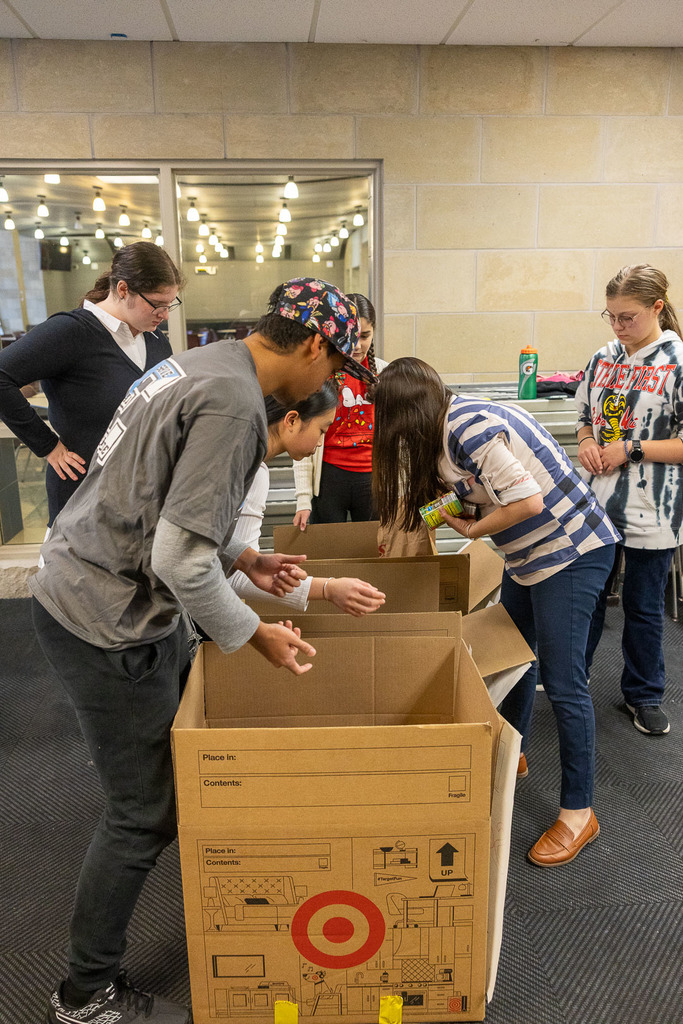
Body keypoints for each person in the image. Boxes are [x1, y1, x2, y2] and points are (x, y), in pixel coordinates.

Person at [30, 277, 375, 1024]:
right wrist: (256, 635)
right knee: (142, 812)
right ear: (315, 345)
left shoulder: (202, 361)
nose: (333, 389)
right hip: (105, 617)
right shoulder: (236, 404)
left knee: (168, 782)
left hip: (91, 584)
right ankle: (84, 995)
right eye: (338, 370)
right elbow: (180, 563)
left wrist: (244, 561)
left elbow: (166, 502)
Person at [373, 358, 620, 868]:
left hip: (571, 551)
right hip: (527, 556)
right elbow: (461, 495)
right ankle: (512, 755)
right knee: (512, 657)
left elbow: (527, 502)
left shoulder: (469, 427)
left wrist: (470, 533)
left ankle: (579, 813)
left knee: (564, 678)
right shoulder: (440, 435)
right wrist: (410, 524)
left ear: (408, 414)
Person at [0, 241, 180, 526]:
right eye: (157, 304)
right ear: (123, 290)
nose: (165, 314)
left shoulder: (156, 340)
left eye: (170, 305)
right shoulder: (71, 331)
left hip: (142, 499)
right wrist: (47, 446)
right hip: (83, 500)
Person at [578, 265, 683, 737]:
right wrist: (584, 440)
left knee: (642, 606)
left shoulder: (676, 362)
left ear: (657, 308)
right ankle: (570, 675)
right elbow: (584, 414)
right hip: (598, 502)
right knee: (588, 598)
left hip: (654, 508)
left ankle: (643, 694)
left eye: (629, 318)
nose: (619, 327)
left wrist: (633, 449)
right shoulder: (604, 357)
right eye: (612, 317)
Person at [230, 381, 386, 616]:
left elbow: (236, 573)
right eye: (322, 430)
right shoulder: (233, 464)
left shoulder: (258, 473)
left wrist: (328, 589)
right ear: (292, 420)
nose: (321, 442)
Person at [292, 293, 387, 528]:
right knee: (329, 557)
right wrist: (303, 499)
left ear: (374, 332)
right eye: (352, 336)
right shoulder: (320, 373)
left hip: (373, 479)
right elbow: (302, 437)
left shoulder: (384, 373)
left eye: (365, 336)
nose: (358, 345)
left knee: (372, 554)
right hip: (329, 477)